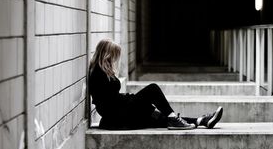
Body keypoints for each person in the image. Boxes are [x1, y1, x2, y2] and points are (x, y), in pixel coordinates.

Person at [88, 38, 223, 130]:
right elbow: (108, 103)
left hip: (119, 116)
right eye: (113, 55)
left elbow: (114, 98)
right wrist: (140, 103)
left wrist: (138, 102)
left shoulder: (102, 72)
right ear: (106, 54)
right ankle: (177, 119)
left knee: (161, 118)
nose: (115, 59)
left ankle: (201, 121)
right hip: (117, 119)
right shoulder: (98, 74)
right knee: (152, 89)